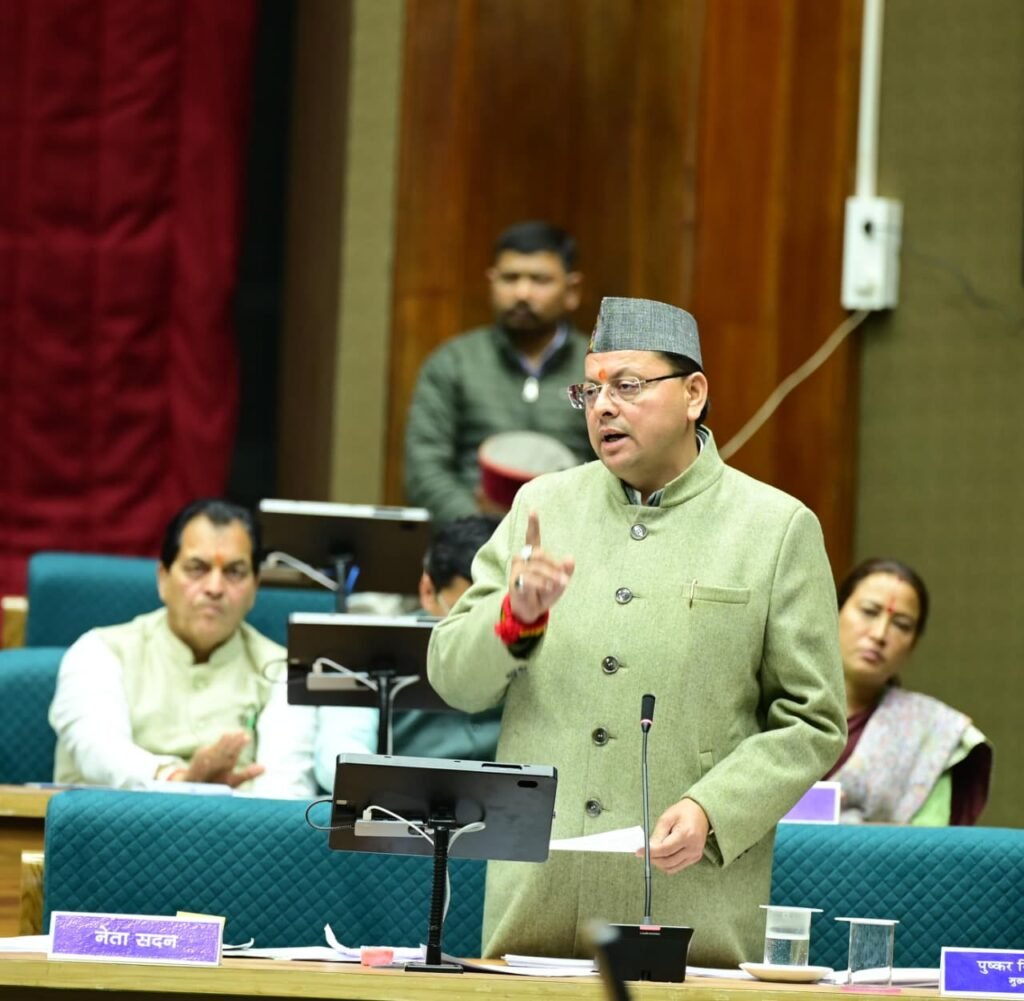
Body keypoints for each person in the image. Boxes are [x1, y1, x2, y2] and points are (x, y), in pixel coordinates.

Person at [427, 297, 847, 967]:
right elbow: (453, 677)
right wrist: (517, 617)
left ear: (693, 394)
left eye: (627, 386)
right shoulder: (542, 506)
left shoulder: (774, 527)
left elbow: (812, 720)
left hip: (690, 901)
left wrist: (714, 808)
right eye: (590, 391)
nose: (603, 407)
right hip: (537, 899)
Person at [49, 498, 318, 797]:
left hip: (239, 825)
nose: (215, 588)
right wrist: (178, 779)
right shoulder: (99, 652)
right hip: (113, 823)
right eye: (197, 568)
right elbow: (100, 752)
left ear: (255, 588)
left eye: (234, 572)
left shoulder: (283, 672)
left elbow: (286, 791)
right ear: (163, 579)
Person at [404, 220, 592, 522]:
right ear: (492, 282)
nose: (522, 293)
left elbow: (620, 467)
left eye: (540, 280)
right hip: (470, 536)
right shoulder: (454, 362)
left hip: (574, 534)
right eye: (510, 278)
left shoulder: (597, 368)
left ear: (572, 290)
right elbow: (425, 469)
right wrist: (483, 530)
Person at [313, 515, 502, 792]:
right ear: (428, 591)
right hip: (398, 801)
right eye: (466, 611)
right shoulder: (374, 643)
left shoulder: (527, 642)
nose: (479, 630)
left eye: (493, 612)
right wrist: (384, 792)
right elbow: (341, 749)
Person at [826, 557, 992, 825]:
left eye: (901, 625)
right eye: (869, 611)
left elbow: (930, 842)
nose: (880, 634)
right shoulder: (774, 701)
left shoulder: (934, 731)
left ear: (913, 644)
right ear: (833, 612)